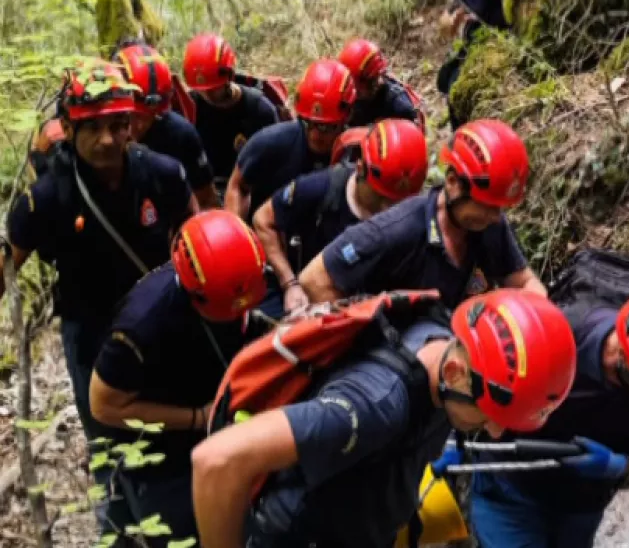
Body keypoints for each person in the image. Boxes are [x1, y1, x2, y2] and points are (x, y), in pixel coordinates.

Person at [191, 288, 578, 548]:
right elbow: (217, 460)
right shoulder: (374, 407)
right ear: (454, 373)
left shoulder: (439, 338)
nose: (495, 432)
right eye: (490, 415)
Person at [1, 60, 196, 532]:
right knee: (107, 443)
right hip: (91, 334)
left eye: (118, 125)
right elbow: (10, 261)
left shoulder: (163, 175)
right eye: (93, 128)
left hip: (163, 325)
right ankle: (118, 530)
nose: (108, 139)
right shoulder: (45, 199)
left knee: (169, 429)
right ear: (67, 128)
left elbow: (197, 232)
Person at [467, 287, 629, 548]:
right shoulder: (551, 339)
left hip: (583, 506)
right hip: (510, 491)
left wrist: (624, 470)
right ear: (626, 369)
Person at [88, 210, 268, 546]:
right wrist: (198, 417)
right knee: (179, 533)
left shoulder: (239, 277)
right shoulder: (144, 323)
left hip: (206, 418)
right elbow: (102, 405)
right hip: (158, 451)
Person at [299, 119, 547, 309]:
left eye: (500, 207)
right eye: (487, 205)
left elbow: (525, 282)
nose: (496, 216)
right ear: (452, 183)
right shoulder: (396, 230)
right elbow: (315, 279)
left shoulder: (491, 226)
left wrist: (530, 311)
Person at [253, 118, 429, 315]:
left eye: (399, 202)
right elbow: (263, 220)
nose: (388, 208)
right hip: (306, 297)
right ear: (360, 169)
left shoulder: (416, 215)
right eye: (381, 197)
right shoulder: (318, 188)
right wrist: (289, 283)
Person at [225, 58, 357, 223]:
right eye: (309, 124)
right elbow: (238, 185)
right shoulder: (271, 143)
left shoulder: (357, 156)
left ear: (347, 117)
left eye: (326, 127)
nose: (315, 135)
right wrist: (237, 229)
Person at [113, 43, 218, 209]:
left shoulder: (180, 135)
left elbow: (206, 199)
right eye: (131, 116)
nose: (138, 125)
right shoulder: (93, 140)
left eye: (149, 116)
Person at [182, 32, 279, 197]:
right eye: (202, 90)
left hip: (248, 192)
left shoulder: (259, 111)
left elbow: (276, 163)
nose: (208, 95)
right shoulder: (189, 107)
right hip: (204, 193)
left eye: (213, 88)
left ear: (230, 77)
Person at [438, 0, 513, 131]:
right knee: (453, 88)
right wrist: (453, 22)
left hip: (504, 52)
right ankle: (459, 134)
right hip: (471, 52)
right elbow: (445, 26)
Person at [338, 38, 421, 128]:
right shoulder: (347, 99)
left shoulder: (399, 107)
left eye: (378, 76)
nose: (379, 82)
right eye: (373, 80)